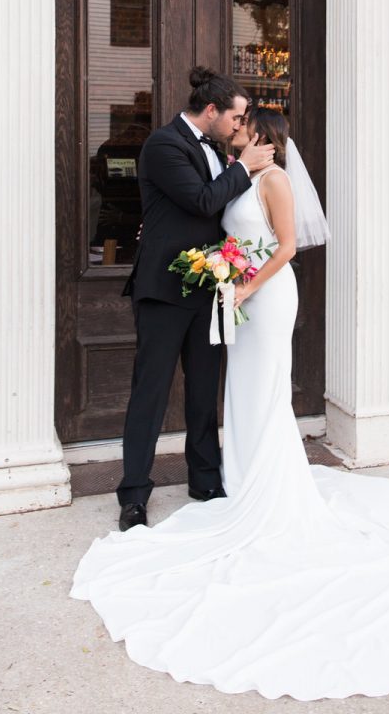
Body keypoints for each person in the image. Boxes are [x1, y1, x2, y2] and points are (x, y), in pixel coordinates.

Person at [72, 107, 389, 701]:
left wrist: (244, 284)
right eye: (230, 122)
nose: (232, 130)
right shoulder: (239, 171)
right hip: (237, 291)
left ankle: (270, 485)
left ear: (261, 136)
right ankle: (241, 475)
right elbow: (219, 222)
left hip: (264, 292)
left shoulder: (278, 180)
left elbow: (286, 247)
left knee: (261, 386)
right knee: (240, 390)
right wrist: (226, 270)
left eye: (241, 126)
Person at [115, 68, 275, 533]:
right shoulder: (164, 145)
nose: (239, 126)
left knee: (204, 391)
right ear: (212, 111)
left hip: (209, 289)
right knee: (151, 392)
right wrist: (245, 168)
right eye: (236, 117)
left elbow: (223, 214)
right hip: (164, 291)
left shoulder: (219, 153)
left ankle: (205, 481)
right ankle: (133, 495)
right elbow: (203, 202)